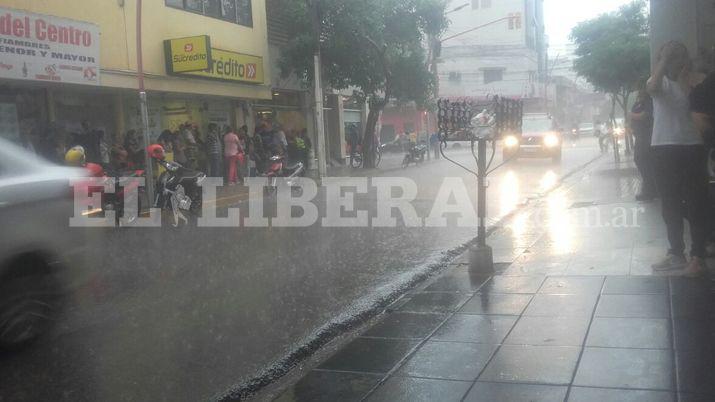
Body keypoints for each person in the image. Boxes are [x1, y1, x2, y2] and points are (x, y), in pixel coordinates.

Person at [647, 41, 709, 276]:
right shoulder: (658, 81)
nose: (674, 57)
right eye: (668, 53)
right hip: (663, 148)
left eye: (679, 52)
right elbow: (652, 87)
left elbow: (694, 102)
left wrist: (686, 76)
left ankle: (698, 256)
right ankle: (676, 253)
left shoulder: (698, 80)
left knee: (696, 202)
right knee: (670, 202)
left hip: (692, 147)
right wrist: (663, 59)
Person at [630, 85, 657, 201]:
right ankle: (650, 188)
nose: (639, 90)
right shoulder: (638, 101)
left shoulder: (648, 101)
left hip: (646, 136)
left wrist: (631, 115)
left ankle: (650, 189)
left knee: (642, 160)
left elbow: (645, 115)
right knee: (641, 160)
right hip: (640, 135)